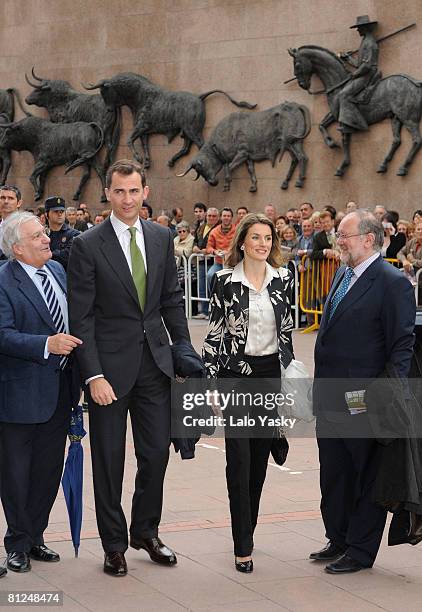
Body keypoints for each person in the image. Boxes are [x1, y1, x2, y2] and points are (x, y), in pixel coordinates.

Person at [67, 159, 190, 577]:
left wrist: (183, 348)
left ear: (145, 193)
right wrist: (93, 375)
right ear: (107, 193)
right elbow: (81, 318)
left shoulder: (160, 236)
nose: (127, 199)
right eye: (119, 192)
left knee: (155, 454)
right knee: (109, 461)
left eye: (134, 191)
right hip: (108, 373)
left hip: (154, 366)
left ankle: (145, 531)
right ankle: (114, 544)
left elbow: (171, 299)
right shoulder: (87, 244)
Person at [311, 210, 415, 574]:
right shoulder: (343, 272)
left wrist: (385, 394)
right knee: (334, 473)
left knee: (364, 475)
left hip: (363, 398)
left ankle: (359, 550)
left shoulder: (391, 281)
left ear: (368, 239)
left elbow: (402, 345)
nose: (338, 240)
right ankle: (337, 538)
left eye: (344, 235)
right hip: (329, 394)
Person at [203, 213, 294, 573]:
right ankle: (242, 544)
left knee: (258, 462)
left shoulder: (284, 279)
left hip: (270, 377)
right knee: (238, 461)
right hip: (234, 378)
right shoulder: (224, 281)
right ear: (242, 241)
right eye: (255, 237)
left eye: (267, 238)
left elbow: (286, 332)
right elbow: (214, 333)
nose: (262, 244)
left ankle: (248, 530)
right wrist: (209, 384)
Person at [0, 212, 82, 575]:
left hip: (61, 391)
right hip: (19, 393)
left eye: (45, 233)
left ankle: (35, 536)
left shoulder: (58, 272)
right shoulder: (3, 281)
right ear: (17, 248)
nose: (47, 239)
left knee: (48, 471)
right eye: (37, 236)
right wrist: (46, 344)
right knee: (17, 474)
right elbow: (2, 334)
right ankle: (16, 543)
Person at [338, 15, 379, 132]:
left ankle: (358, 123)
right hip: (363, 73)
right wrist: (348, 58)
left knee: (343, 95)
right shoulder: (365, 41)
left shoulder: (370, 43)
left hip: (367, 75)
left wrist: (355, 74)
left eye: (359, 28)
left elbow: (366, 66)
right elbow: (359, 64)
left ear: (365, 28)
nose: (357, 30)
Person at [192, 207, 220, 318]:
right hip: (201, 261)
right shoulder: (201, 227)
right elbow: (196, 240)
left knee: (211, 285)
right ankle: (203, 311)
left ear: (217, 218)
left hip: (212, 261)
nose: (211, 218)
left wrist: (207, 250)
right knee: (201, 286)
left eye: (214, 216)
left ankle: (211, 311)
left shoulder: (219, 228)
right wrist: (195, 247)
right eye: (209, 216)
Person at [45, 197, 80, 270]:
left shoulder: (75, 234)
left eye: (62, 211)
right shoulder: (42, 234)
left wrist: (45, 254)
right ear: (46, 214)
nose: (59, 214)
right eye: (56, 211)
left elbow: (68, 256)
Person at [206, 207, 236, 291]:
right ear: (220, 217)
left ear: (231, 217)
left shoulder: (237, 230)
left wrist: (230, 251)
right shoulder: (214, 231)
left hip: (233, 263)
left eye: (228, 216)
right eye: (224, 215)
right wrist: (215, 251)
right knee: (210, 275)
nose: (226, 218)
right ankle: (213, 298)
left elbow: (241, 245)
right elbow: (208, 247)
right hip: (219, 263)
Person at [0, 185, 23, 260]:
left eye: (10, 198)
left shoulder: (28, 225)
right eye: (2, 198)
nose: (6, 201)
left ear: (19, 203)